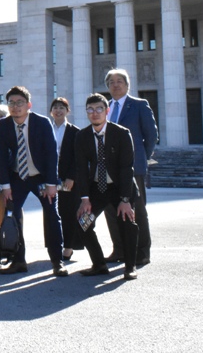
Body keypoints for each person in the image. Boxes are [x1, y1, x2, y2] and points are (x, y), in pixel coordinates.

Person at [0, 86, 68, 277]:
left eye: (20, 103)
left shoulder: (42, 123)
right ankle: (18, 261)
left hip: (42, 178)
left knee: (52, 214)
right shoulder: (3, 125)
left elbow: (52, 155)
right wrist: (5, 186)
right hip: (18, 177)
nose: (15, 107)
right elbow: (1, 158)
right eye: (11, 103)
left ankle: (57, 261)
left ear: (28, 105)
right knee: (12, 213)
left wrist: (52, 184)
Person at [74, 93, 140, 281]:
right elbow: (80, 168)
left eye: (99, 109)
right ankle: (99, 264)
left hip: (121, 188)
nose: (95, 113)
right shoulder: (82, 136)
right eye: (90, 109)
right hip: (97, 188)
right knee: (82, 223)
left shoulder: (122, 134)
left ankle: (130, 266)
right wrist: (84, 199)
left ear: (107, 111)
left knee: (127, 223)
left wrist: (125, 200)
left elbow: (127, 168)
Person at [102, 68, 157, 268]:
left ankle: (141, 252)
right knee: (111, 209)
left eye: (120, 81)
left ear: (127, 85)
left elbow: (151, 135)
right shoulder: (104, 108)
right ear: (107, 86)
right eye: (112, 82)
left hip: (133, 167)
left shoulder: (139, 105)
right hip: (108, 168)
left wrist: (142, 156)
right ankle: (119, 249)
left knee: (137, 210)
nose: (116, 85)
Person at [49, 97, 84, 262]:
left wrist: (71, 177)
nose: (58, 110)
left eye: (62, 107)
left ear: (67, 111)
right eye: (55, 107)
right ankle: (54, 244)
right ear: (51, 111)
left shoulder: (74, 131)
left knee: (68, 212)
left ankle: (69, 246)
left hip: (68, 180)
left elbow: (78, 157)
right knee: (53, 213)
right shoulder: (46, 129)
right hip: (50, 179)